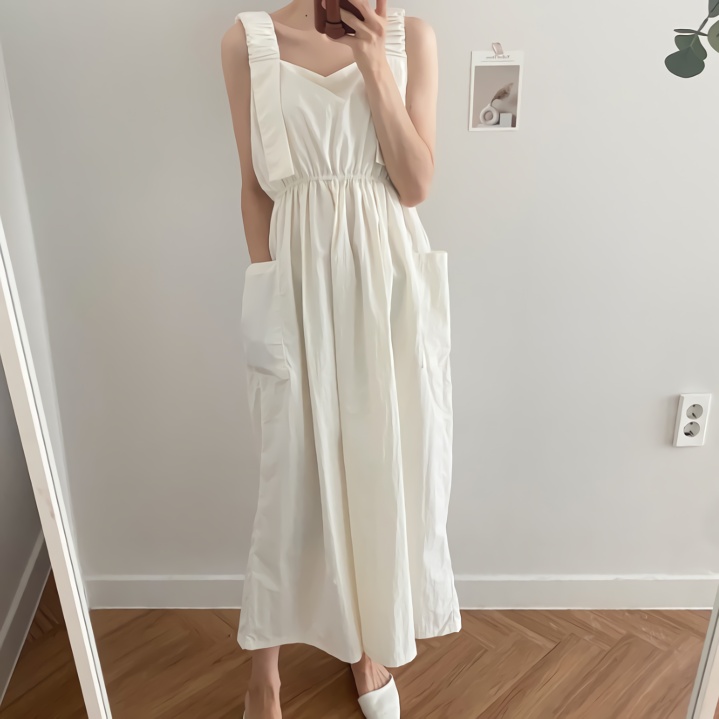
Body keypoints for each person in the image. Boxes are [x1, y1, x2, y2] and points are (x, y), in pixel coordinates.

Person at [220, 2, 461, 717]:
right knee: (290, 475)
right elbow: (254, 187)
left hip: (388, 288)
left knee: (381, 462)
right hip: (295, 285)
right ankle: (264, 674)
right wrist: (269, 297)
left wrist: (373, 62)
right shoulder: (248, 41)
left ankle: (367, 647)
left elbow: (415, 185)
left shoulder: (412, 38)